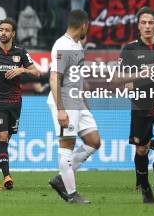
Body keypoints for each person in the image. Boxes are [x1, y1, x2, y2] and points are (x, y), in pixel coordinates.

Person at [115, 7, 154, 204]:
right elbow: (117, 78)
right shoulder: (130, 49)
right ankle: (145, 188)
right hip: (140, 103)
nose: (148, 26)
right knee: (141, 149)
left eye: (151, 23)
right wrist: (141, 75)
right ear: (138, 26)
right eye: (144, 23)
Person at [47, 10, 101, 205]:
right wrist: (61, 109)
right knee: (67, 145)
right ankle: (71, 194)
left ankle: (62, 178)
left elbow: (76, 78)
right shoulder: (62, 46)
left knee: (94, 141)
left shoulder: (77, 44)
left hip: (77, 102)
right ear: (84, 25)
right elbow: (54, 78)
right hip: (65, 103)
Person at [0, 18, 39, 190]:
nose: (3, 33)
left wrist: (22, 69)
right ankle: (7, 176)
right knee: (2, 137)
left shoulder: (20, 52)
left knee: (3, 143)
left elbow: (36, 72)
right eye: (1, 29)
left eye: (7, 30)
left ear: (13, 33)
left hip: (15, 103)